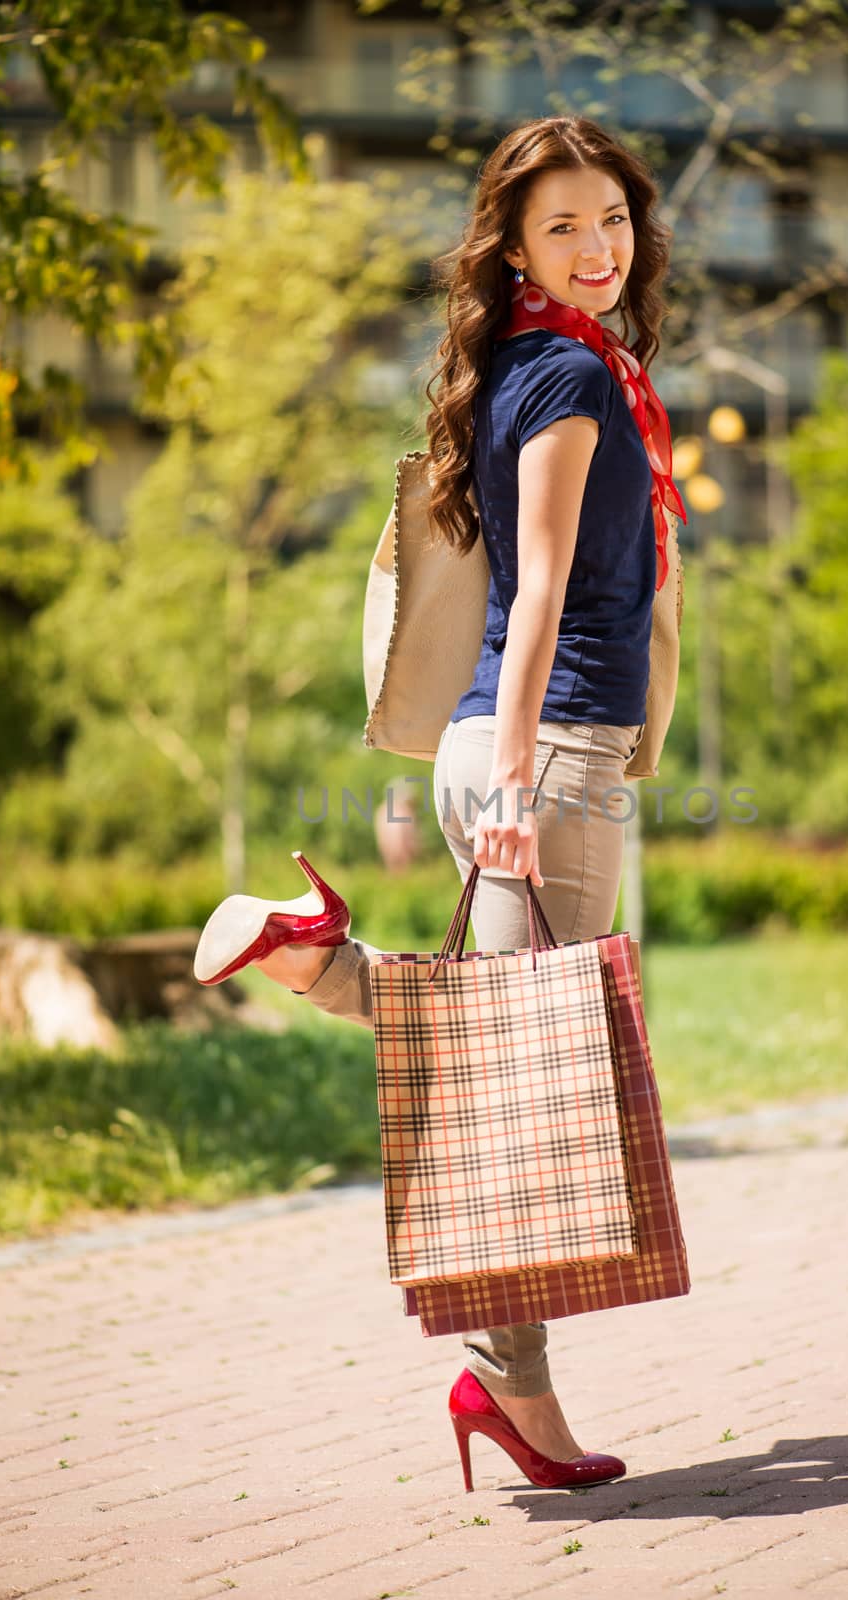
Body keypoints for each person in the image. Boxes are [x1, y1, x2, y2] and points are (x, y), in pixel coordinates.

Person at [193, 114, 685, 1491]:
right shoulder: (575, 386)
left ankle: (508, 1390)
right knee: (534, 1075)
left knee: (513, 1064)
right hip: (548, 748)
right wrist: (527, 780)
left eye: (613, 220)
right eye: (564, 229)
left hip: (501, 745)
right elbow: (531, 596)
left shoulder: (530, 365)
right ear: (517, 248)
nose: (599, 249)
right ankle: (506, 1388)